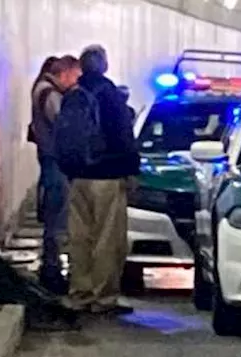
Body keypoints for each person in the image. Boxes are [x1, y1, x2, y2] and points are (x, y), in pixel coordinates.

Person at [55, 45, 140, 315]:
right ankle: (104, 297)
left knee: (79, 237)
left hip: (78, 176)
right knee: (107, 238)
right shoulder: (110, 94)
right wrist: (131, 169)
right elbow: (123, 136)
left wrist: (69, 168)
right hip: (107, 176)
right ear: (104, 65)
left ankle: (80, 292)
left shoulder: (72, 95)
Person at [29, 55, 80, 295]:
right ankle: (51, 270)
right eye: (74, 76)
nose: (75, 82)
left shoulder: (43, 89)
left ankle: (51, 267)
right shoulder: (49, 94)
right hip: (55, 162)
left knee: (54, 215)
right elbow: (63, 124)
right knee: (57, 218)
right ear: (65, 73)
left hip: (50, 161)